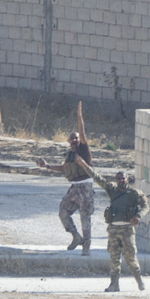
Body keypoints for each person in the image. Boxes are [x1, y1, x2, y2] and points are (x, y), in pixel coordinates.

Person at [74, 157, 148, 292]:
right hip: (113, 230)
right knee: (114, 258)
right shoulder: (112, 190)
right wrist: (83, 165)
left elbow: (145, 206)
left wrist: (138, 216)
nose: (121, 181)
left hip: (127, 230)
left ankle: (139, 280)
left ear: (127, 179)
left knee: (130, 258)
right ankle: (114, 284)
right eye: (118, 179)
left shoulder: (134, 193)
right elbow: (96, 177)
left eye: (123, 178)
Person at [36, 101, 94, 256]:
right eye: (71, 138)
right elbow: (63, 168)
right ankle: (76, 236)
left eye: (76, 138)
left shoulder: (83, 149)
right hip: (74, 187)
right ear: (68, 141)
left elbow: (82, 131)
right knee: (63, 212)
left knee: (85, 216)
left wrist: (79, 116)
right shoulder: (70, 155)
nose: (74, 140)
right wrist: (47, 166)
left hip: (85, 186)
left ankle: (86, 245)